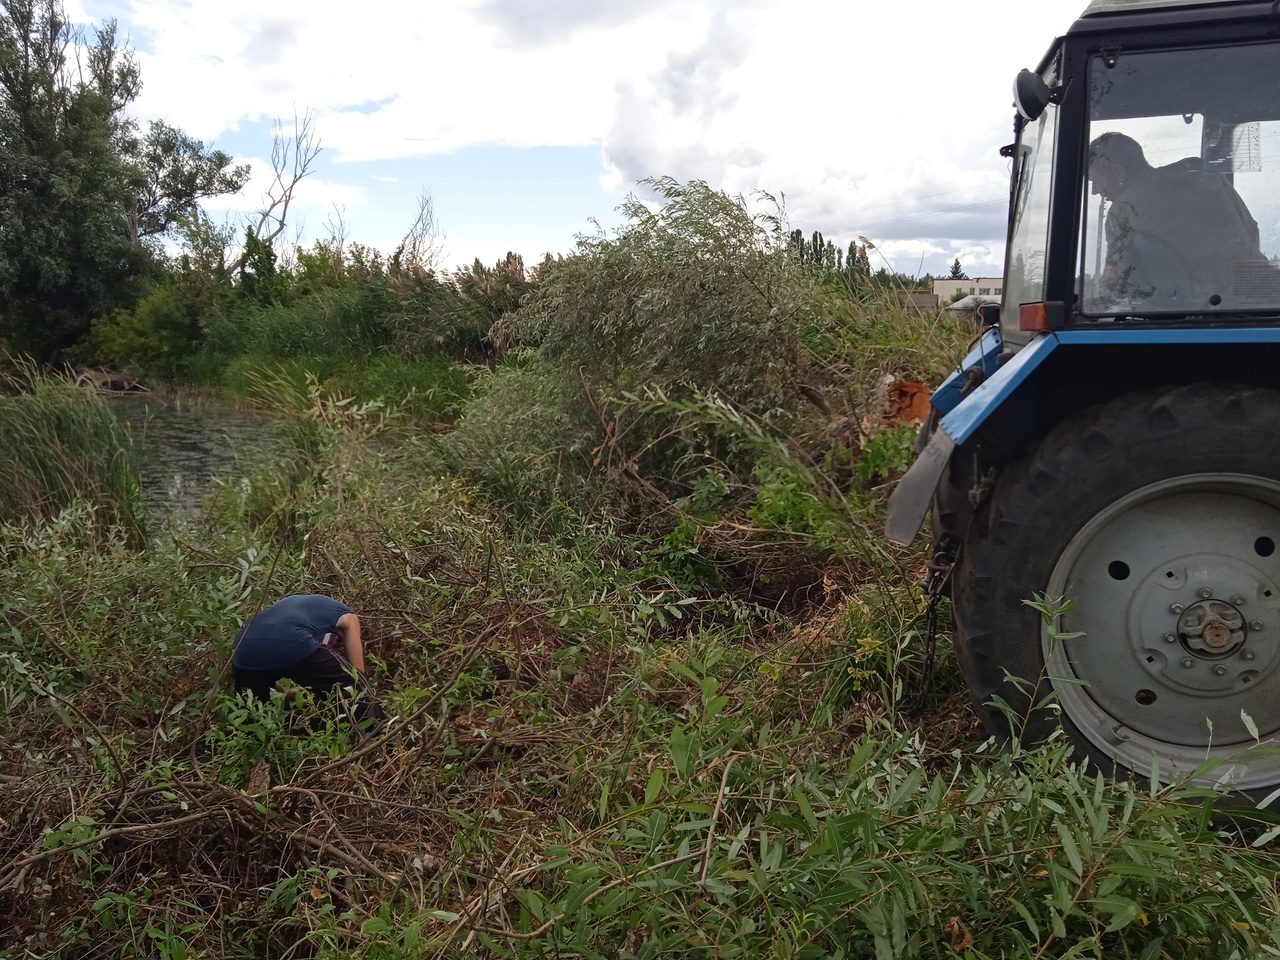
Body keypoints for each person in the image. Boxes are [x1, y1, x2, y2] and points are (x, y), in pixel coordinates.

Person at [1088, 131, 1264, 306]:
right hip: (1261, 297)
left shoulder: (1122, 211)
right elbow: (1251, 230)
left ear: (1118, 173)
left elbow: (1117, 281)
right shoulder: (1199, 170)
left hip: (1205, 313)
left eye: (1095, 181)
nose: (1094, 191)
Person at [232, 593, 384, 722]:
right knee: (357, 692)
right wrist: (359, 681)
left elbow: (266, 665)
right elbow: (356, 672)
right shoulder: (345, 613)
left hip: (243, 646)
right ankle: (380, 745)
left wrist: (285, 691)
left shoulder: (294, 608)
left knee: (252, 713)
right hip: (290, 638)